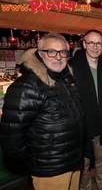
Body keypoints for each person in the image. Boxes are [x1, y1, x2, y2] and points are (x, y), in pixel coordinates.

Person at [0, 33, 84, 190]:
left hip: (72, 161)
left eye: (63, 52)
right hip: (49, 169)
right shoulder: (28, 85)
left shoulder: (65, 80)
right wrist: (36, 159)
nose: (58, 57)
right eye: (51, 51)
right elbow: (11, 136)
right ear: (40, 54)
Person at [69, 29, 102, 190]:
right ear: (84, 43)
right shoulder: (72, 66)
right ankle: (85, 188)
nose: (95, 47)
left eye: (99, 43)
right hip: (82, 125)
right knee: (83, 164)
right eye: (91, 42)